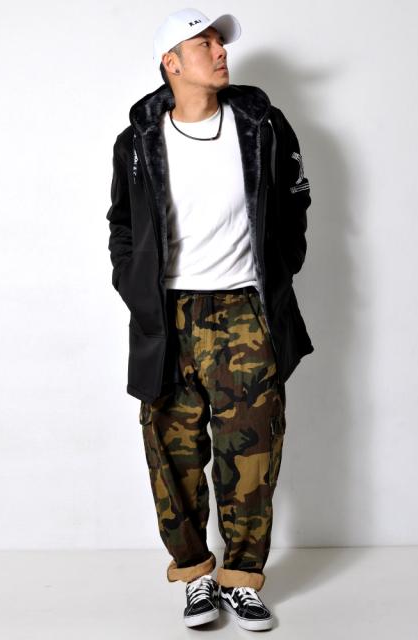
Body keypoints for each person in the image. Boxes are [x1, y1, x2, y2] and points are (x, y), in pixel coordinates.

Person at [106, 8, 314, 631]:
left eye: (221, 43)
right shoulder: (137, 142)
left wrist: (282, 265)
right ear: (171, 62)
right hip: (166, 315)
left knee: (252, 453)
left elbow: (295, 198)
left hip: (245, 311)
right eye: (205, 43)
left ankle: (242, 579)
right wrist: (133, 285)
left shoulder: (261, 126)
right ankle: (195, 574)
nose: (221, 51)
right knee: (172, 454)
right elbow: (121, 223)